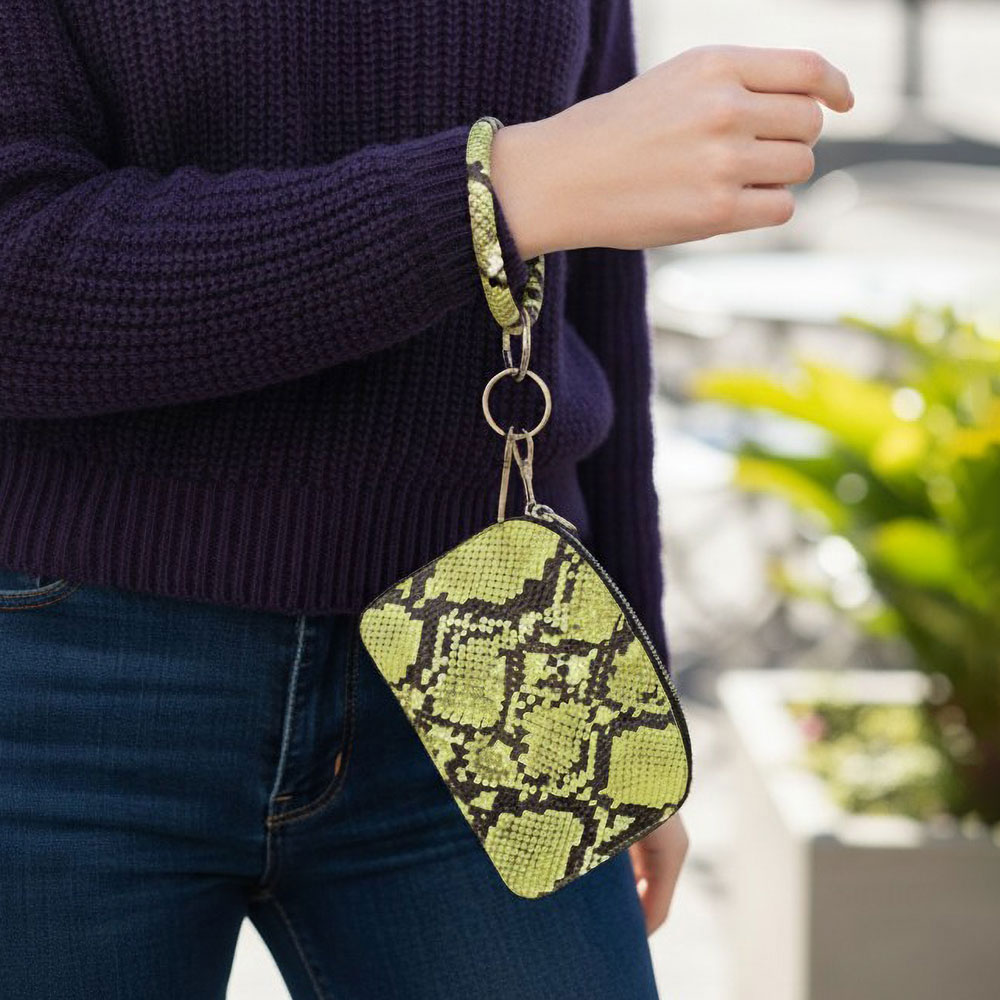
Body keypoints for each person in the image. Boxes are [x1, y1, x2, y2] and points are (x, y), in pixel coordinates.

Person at [0, 1, 852, 997]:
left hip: (504, 649)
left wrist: (632, 692)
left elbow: (596, 293)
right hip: (67, 669)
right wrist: (497, 191)